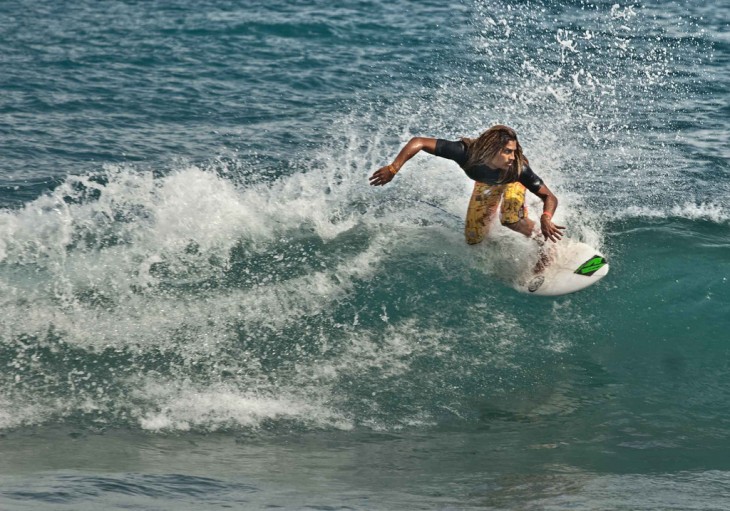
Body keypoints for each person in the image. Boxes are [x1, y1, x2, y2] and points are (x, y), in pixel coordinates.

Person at [369, 125, 565, 268]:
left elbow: (549, 196)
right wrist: (393, 168)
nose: (512, 157)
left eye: (513, 152)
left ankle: (544, 243)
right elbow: (418, 142)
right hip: (486, 183)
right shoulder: (465, 153)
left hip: (511, 181)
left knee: (510, 219)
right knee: (474, 238)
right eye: (507, 152)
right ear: (491, 150)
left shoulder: (518, 169)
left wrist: (545, 217)